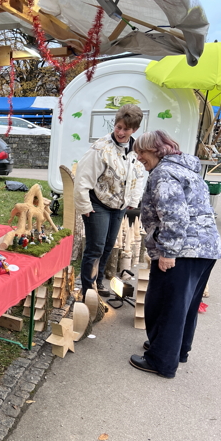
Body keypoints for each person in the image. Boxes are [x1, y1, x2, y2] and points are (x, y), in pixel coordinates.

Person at [129, 130, 221, 378]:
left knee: (166, 304)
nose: (138, 157)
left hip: (182, 251)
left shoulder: (164, 174)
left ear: (156, 150)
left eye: (142, 152)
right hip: (205, 248)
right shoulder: (187, 169)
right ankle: (175, 350)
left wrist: (168, 252)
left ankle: (161, 361)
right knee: (186, 305)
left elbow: (174, 216)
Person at [74, 104, 146, 298]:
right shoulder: (101, 148)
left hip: (119, 206)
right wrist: (84, 206)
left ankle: (98, 282)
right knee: (95, 247)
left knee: (108, 246)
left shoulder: (136, 149)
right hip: (98, 204)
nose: (121, 132)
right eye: (118, 127)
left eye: (126, 129)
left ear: (135, 130)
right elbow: (82, 178)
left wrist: (133, 199)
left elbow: (139, 175)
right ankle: (88, 290)